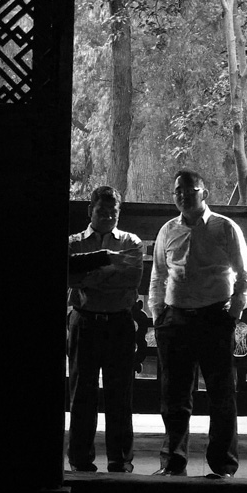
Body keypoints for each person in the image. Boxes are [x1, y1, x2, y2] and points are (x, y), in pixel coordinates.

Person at [148, 169, 247, 479]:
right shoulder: (167, 230)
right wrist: (158, 314)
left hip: (214, 319)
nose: (183, 195)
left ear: (203, 193)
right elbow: (158, 274)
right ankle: (172, 463)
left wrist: (232, 313)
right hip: (175, 320)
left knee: (221, 395)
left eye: (189, 190)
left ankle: (222, 466)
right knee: (174, 396)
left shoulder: (224, 227)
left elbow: (244, 275)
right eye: (177, 191)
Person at [66, 185, 144, 473]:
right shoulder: (73, 242)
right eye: (102, 210)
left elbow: (132, 278)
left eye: (114, 211)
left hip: (119, 323)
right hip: (84, 322)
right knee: (81, 394)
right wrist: (109, 264)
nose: (109, 216)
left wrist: (89, 275)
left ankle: (120, 459)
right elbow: (70, 277)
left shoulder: (132, 242)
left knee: (119, 395)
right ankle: (80, 459)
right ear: (90, 211)